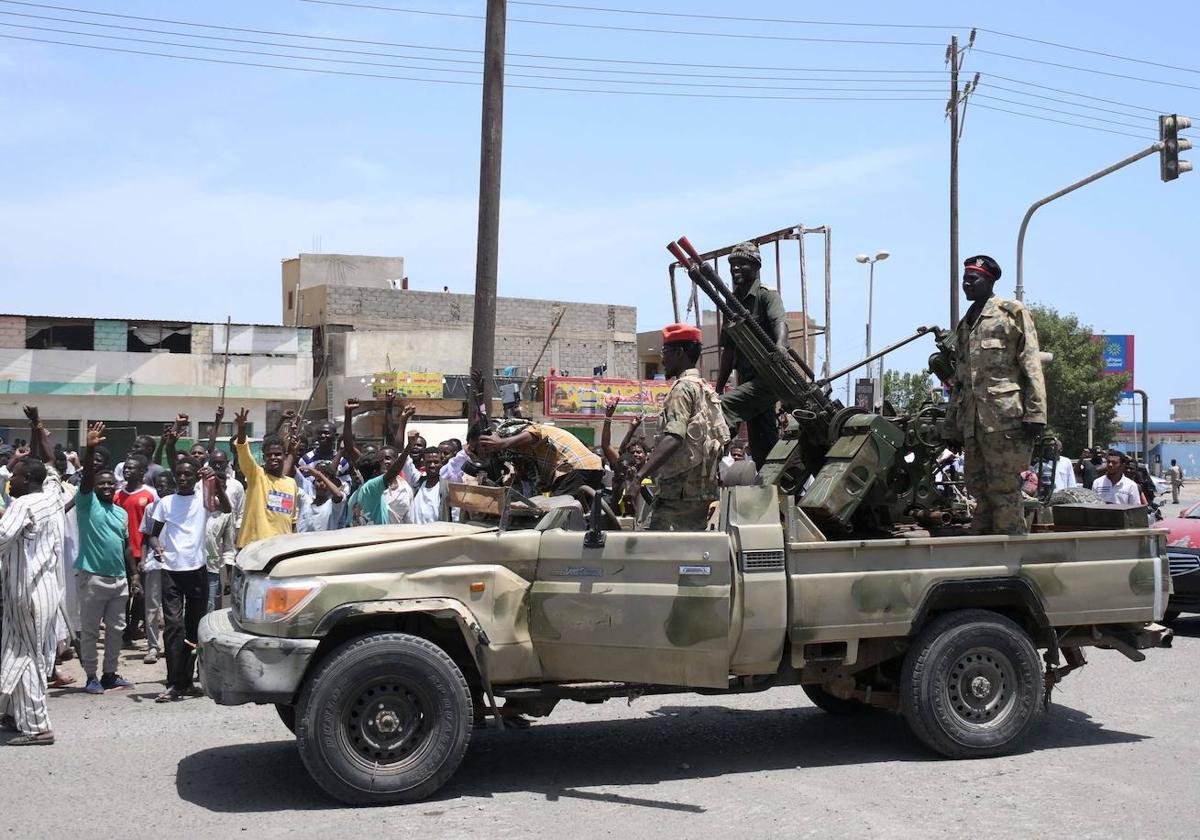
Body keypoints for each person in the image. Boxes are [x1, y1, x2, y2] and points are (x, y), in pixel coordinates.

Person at [948, 255, 1047, 536]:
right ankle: (982, 556)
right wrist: (951, 425)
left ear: (989, 281)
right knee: (979, 493)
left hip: (1005, 421)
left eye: (973, 278)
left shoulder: (1010, 312)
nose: (966, 283)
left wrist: (1036, 413)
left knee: (1004, 492)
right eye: (964, 278)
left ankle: (1011, 558)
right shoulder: (965, 323)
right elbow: (960, 381)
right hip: (973, 424)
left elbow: (1031, 364)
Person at [147, 457, 229, 702]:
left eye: (188, 474)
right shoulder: (165, 502)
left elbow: (227, 508)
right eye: (179, 474)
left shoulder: (203, 500)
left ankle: (187, 681)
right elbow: (153, 535)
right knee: (174, 626)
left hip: (197, 571)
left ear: (196, 478)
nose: (182, 478)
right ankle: (173, 683)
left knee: (194, 628)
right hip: (171, 571)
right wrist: (157, 548)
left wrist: (215, 483)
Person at [636, 324, 730, 531]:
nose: (662, 359)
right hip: (701, 491)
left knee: (649, 550)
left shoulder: (682, 389)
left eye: (665, 352)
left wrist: (639, 475)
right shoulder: (705, 388)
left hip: (676, 493)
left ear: (679, 353)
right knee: (689, 551)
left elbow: (674, 437)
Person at [0, 453, 65, 745]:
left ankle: (38, 727)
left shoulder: (23, 505)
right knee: (17, 651)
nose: (9, 479)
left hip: (26, 594)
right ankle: (16, 714)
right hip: (46, 591)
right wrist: (38, 429)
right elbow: (52, 472)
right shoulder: (51, 496)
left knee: (25, 657)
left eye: (14, 474)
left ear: (26, 479)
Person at [73, 423, 138, 695]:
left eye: (111, 483)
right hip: (92, 577)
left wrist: (133, 575)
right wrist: (91, 450)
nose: (107, 486)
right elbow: (87, 479)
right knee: (90, 631)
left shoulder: (121, 512)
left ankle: (109, 674)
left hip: (119, 580)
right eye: (102, 483)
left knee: (116, 631)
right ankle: (91, 677)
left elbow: (125, 547)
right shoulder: (87, 502)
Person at [714, 241, 788, 471]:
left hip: (769, 378)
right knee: (762, 445)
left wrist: (780, 346)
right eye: (732, 265)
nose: (735, 269)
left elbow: (780, 322)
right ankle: (770, 487)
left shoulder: (767, 295)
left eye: (742, 264)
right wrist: (717, 388)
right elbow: (729, 349)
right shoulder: (731, 301)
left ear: (756, 266)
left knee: (721, 410)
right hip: (748, 380)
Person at [233, 407, 297, 549]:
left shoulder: (291, 484)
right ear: (263, 457)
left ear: (284, 456)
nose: (273, 458)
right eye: (269, 455)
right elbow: (243, 450)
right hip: (253, 548)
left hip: (281, 550)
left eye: (277, 454)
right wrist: (242, 428)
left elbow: (292, 522)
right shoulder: (256, 475)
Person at [113, 453, 157, 650]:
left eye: (132, 468)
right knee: (123, 594)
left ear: (142, 472)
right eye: (126, 468)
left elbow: (154, 526)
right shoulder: (116, 495)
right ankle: (124, 633)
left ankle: (134, 626)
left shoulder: (150, 494)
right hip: (121, 551)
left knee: (140, 594)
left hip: (142, 551)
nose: (127, 470)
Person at [296, 461, 349, 532]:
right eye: (319, 480)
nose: (321, 484)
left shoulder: (333, 505)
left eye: (325, 481)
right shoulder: (305, 500)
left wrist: (319, 474)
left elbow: (338, 495)